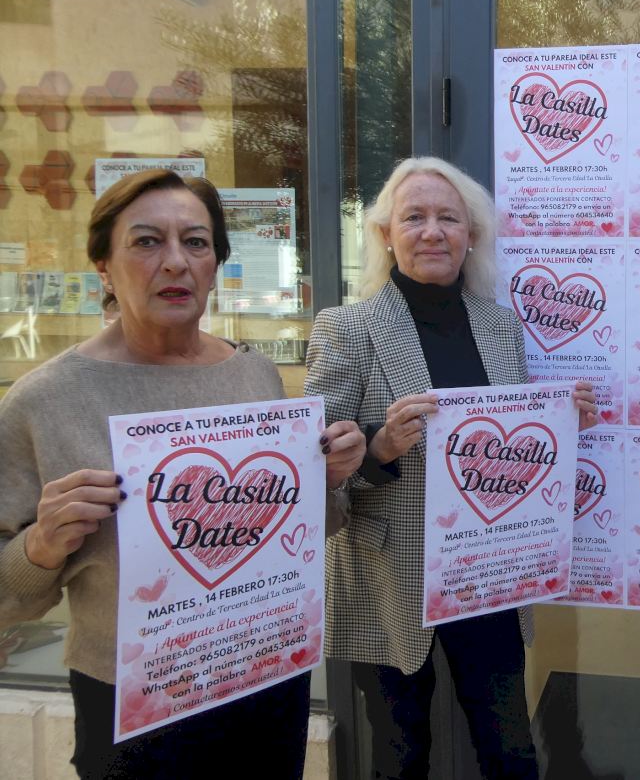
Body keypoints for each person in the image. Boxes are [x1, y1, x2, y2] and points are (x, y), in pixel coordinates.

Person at [0, 170, 366, 779]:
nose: (175, 261)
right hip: (138, 706)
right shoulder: (44, 401)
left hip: (266, 680)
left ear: (216, 264)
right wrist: (41, 546)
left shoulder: (254, 375)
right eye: (147, 241)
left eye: (196, 242)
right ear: (103, 267)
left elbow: (299, 533)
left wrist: (324, 479)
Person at [305, 156, 598, 780]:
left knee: (509, 747)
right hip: (388, 572)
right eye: (414, 217)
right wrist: (380, 446)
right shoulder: (346, 327)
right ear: (386, 234)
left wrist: (558, 427)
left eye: (448, 218)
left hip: (486, 567)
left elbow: (510, 452)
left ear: (471, 235)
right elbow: (314, 465)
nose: (432, 231)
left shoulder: (500, 326)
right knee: (399, 753)